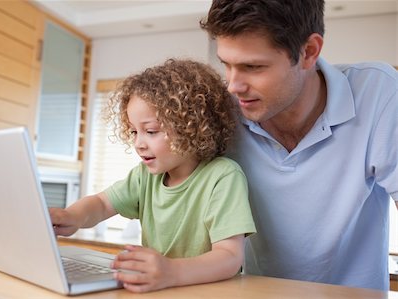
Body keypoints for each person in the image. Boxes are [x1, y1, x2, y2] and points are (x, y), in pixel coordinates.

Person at [200, 0, 398, 291]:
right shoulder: (224, 112)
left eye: (252, 66)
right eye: (226, 65)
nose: (233, 85)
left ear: (309, 52)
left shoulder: (379, 93)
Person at [49, 59, 256, 293]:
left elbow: (229, 256)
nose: (138, 143)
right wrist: (72, 216)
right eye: (134, 131)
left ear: (192, 125)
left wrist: (173, 272)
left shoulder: (223, 176)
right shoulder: (145, 177)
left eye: (150, 131)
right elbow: (102, 203)